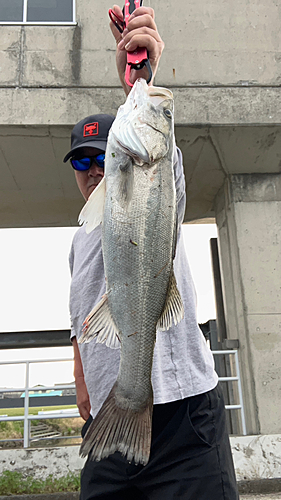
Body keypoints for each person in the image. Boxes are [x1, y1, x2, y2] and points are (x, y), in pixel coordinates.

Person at [64, 5, 239, 500]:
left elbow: (167, 180)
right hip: (109, 416)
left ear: (120, 153)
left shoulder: (154, 177)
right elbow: (80, 317)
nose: (94, 168)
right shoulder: (79, 238)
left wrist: (141, 80)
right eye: (81, 159)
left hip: (185, 419)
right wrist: (82, 379)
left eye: (100, 158)